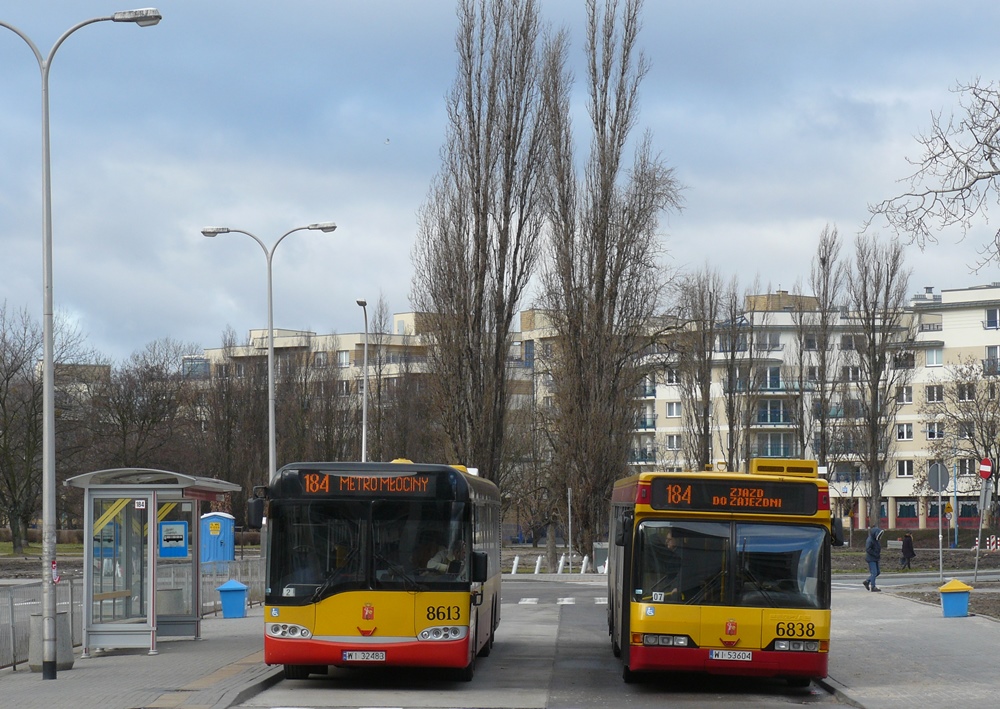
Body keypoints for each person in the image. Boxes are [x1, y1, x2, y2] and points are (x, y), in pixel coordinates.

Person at [864, 526, 884, 592]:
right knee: (874, 573)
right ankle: (873, 586)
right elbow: (868, 549)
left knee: (878, 572)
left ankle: (867, 581)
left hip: (875, 558)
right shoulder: (870, 540)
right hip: (871, 558)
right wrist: (875, 554)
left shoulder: (876, 540)